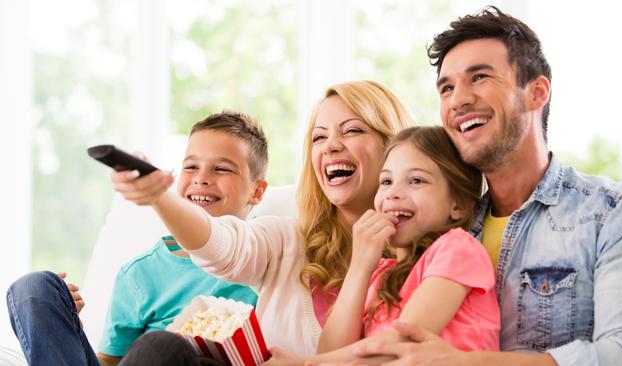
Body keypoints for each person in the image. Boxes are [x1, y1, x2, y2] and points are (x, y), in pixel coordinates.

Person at [350, 6, 622, 366]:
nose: (458, 99)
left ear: (536, 93)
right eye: (446, 88)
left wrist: (467, 363)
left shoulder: (616, 213)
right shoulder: (438, 223)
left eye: (479, 78)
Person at [110, 80, 416, 357]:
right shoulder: (285, 242)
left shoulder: (427, 260)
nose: (331, 146)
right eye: (319, 137)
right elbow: (222, 244)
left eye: (352, 130)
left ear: (394, 146)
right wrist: (159, 195)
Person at [6, 110, 268, 366]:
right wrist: (66, 331)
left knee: (162, 346)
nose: (201, 178)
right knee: (35, 287)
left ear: (256, 191)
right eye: (191, 166)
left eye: (221, 169)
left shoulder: (268, 258)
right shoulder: (140, 273)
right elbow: (110, 361)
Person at [266, 126, 500, 365]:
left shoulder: (458, 249)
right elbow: (329, 350)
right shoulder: (380, 273)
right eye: (386, 181)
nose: (393, 193)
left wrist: (303, 365)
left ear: (458, 204)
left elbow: (403, 343)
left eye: (416, 180)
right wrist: (360, 266)